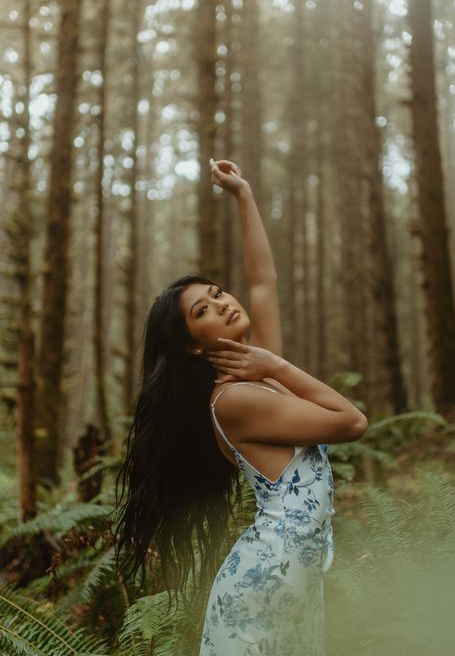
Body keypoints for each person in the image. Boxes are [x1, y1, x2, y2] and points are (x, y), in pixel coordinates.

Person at [113, 159, 368, 656]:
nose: (223, 302)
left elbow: (263, 284)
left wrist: (244, 196)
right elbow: (352, 422)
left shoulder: (255, 376)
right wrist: (277, 364)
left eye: (216, 292)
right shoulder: (236, 399)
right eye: (202, 310)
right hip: (260, 590)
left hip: (290, 581)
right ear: (191, 345)